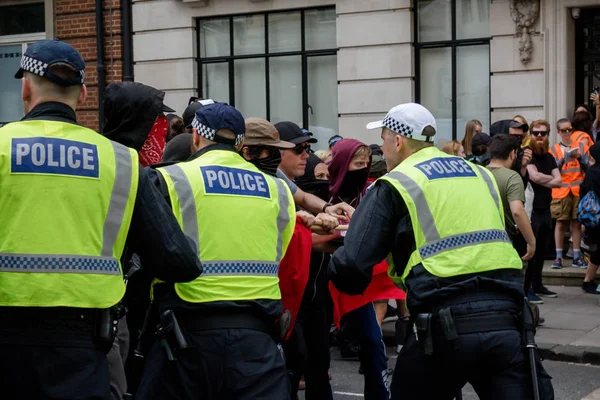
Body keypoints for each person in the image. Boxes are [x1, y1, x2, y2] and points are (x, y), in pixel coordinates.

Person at [0, 39, 201, 399]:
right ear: (83, 92)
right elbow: (179, 261)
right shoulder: (120, 162)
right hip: (83, 342)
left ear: (26, 86)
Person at [329, 102, 554, 400]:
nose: (382, 149)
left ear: (397, 140)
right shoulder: (480, 174)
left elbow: (351, 266)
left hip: (442, 328)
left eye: (383, 139)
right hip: (507, 319)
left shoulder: (396, 183)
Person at [137, 103, 296, 400]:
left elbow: (150, 252)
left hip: (186, 341)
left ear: (195, 136)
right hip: (257, 342)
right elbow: (280, 250)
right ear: (240, 143)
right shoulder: (278, 190)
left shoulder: (170, 179)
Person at [328, 138, 402, 400]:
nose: (361, 170)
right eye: (355, 164)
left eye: (364, 164)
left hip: (355, 277)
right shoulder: (320, 193)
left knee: (373, 341)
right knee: (312, 351)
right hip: (319, 278)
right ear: (340, 163)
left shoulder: (371, 191)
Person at [275, 121, 355, 219]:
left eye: (306, 148)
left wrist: (328, 208)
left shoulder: (278, 175)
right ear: (276, 151)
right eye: (299, 149)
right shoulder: (264, 176)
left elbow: (303, 197)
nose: (306, 155)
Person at [526, 120, 562, 304]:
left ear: (548, 135)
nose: (539, 136)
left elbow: (559, 181)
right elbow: (534, 176)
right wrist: (549, 179)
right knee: (531, 251)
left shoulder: (549, 157)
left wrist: (544, 179)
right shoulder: (528, 155)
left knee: (541, 251)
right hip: (531, 211)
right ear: (530, 134)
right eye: (536, 133)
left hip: (546, 209)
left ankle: (538, 284)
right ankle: (528, 288)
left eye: (543, 133)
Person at [103, 81, 175, 167]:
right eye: (157, 114)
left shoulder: (173, 155)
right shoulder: (108, 162)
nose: (163, 120)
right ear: (135, 121)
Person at [487, 135, 536, 260]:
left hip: (479, 238)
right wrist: (531, 242)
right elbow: (517, 211)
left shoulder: (479, 172)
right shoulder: (512, 177)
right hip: (504, 239)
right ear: (513, 153)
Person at [549, 118, 590, 269]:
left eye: (569, 129)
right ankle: (558, 257)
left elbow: (588, 170)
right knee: (560, 223)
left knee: (576, 224)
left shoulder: (581, 147)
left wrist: (580, 159)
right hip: (561, 191)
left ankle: (576, 256)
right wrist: (561, 161)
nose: (567, 132)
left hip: (578, 190)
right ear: (558, 132)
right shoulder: (553, 150)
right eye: (564, 130)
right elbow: (551, 172)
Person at [580, 142, 600, 293]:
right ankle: (588, 280)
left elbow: (583, 192)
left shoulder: (592, 171)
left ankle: (588, 279)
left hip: (593, 218)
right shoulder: (596, 172)